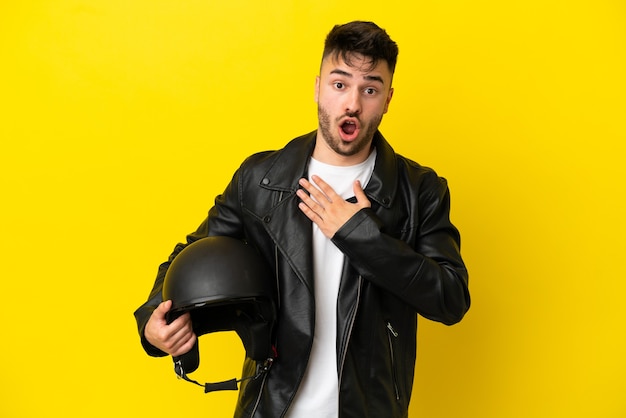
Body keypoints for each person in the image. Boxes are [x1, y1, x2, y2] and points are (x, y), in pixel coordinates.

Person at [134, 20, 470, 417]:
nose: (353, 104)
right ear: (317, 87)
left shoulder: (419, 191)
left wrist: (359, 236)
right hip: (272, 407)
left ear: (388, 99)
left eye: (370, 89)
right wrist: (155, 321)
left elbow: (450, 299)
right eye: (340, 84)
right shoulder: (260, 180)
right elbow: (191, 253)